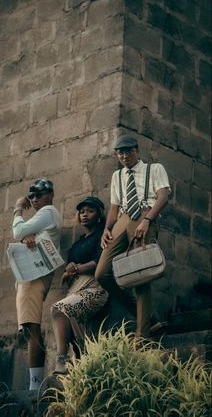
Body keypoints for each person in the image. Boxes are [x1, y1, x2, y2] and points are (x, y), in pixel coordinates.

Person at [95, 134, 170, 338]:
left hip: (145, 213)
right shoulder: (117, 176)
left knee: (141, 274)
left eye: (128, 151)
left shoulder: (154, 169)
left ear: (136, 150)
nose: (124, 155)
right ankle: (149, 319)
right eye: (120, 152)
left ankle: (142, 335)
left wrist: (148, 220)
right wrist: (107, 229)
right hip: (123, 218)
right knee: (102, 273)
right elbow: (114, 207)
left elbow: (163, 195)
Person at [12, 178, 62, 390]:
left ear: (50, 194)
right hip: (31, 275)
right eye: (30, 196)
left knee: (32, 329)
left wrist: (17, 209)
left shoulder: (48, 211)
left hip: (34, 277)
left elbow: (17, 232)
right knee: (28, 328)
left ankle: (35, 387)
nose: (34, 199)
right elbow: (25, 236)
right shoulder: (44, 216)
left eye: (38, 195)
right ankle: (35, 384)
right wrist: (28, 236)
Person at [50, 196, 108, 374]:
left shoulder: (102, 235)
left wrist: (76, 269)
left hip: (94, 288)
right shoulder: (78, 243)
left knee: (58, 309)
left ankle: (61, 359)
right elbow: (70, 267)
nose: (85, 215)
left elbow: (101, 261)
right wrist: (69, 269)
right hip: (75, 289)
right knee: (78, 338)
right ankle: (80, 366)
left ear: (99, 215)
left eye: (90, 211)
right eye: (82, 212)